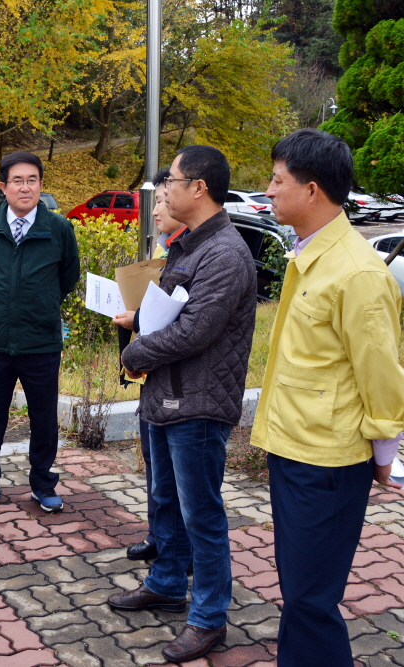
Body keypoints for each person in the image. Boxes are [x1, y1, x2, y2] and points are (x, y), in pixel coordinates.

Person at [251, 129, 404, 666]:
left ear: (311, 190)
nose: (267, 190)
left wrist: (385, 457)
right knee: (300, 591)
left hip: (329, 462)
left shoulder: (359, 272)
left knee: (312, 599)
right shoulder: (310, 252)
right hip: (295, 447)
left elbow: (383, 375)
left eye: (277, 180)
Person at [106, 146, 257, 663]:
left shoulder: (226, 254)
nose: (162, 188)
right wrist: (137, 326)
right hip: (164, 396)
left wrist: (135, 349)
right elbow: (167, 312)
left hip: (198, 404)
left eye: (169, 179)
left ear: (199, 187)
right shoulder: (188, 245)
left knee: (202, 515)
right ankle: (167, 582)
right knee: (165, 502)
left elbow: (194, 330)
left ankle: (209, 616)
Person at [0, 151, 80, 513]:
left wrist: (41, 303)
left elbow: (68, 277)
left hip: (41, 342)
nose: (25, 187)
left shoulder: (58, 228)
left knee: (43, 418)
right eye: (17, 180)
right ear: (3, 187)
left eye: (32, 180)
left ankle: (43, 484)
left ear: (40, 185)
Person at [115, 167, 187, 563]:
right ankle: (159, 537)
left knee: (176, 479)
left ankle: (176, 548)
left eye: (164, 199)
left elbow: (183, 325)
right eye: (156, 200)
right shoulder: (163, 247)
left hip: (174, 379)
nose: (158, 208)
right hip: (152, 372)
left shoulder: (197, 253)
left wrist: (137, 321)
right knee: (154, 466)